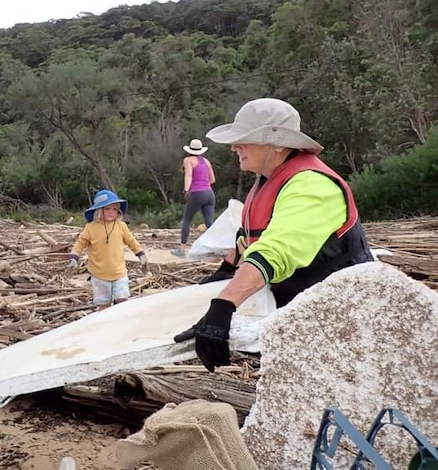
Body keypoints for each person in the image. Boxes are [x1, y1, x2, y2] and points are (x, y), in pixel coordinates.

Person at [173, 98, 373, 373]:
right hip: (302, 310)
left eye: (245, 139)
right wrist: (227, 268)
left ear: (278, 143)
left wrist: (224, 305)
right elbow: (249, 238)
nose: (234, 147)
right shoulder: (268, 179)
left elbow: (274, 251)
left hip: (344, 317)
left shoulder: (311, 185)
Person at [68, 190, 148, 309]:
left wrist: (140, 254)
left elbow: (131, 241)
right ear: (100, 210)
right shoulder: (91, 228)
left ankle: (121, 323)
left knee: (122, 301)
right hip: (99, 275)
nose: (111, 212)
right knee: (103, 305)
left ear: (118, 211)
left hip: (119, 273)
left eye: (114, 209)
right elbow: (81, 242)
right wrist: (74, 256)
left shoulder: (121, 226)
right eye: (107, 209)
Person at [173, 139, 216, 257]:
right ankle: (215, 247)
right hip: (209, 193)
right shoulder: (206, 161)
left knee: (187, 219)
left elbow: (189, 175)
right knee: (209, 222)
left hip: (197, 192)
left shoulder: (188, 160)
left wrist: (187, 190)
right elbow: (212, 179)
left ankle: (182, 249)